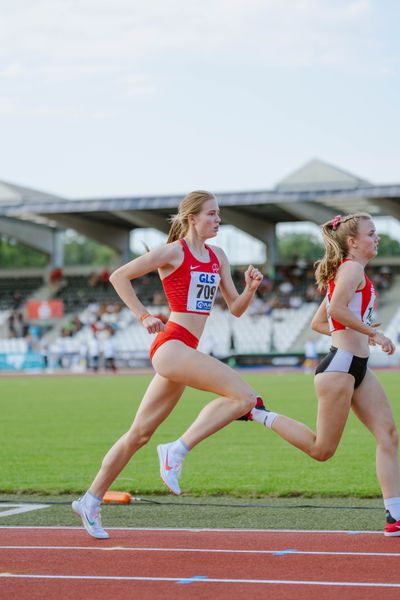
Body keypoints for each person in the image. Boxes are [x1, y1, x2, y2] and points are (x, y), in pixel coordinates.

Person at [72, 190, 264, 539]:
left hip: (186, 349)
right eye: (211, 214)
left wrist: (250, 289)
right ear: (192, 217)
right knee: (245, 397)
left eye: (219, 214)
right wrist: (144, 316)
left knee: (139, 434)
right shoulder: (174, 252)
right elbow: (119, 276)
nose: (218, 220)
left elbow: (235, 308)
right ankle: (177, 449)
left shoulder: (218, 256)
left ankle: (89, 500)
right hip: (171, 345)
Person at [243, 212, 399, 536]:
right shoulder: (352, 268)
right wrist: (373, 332)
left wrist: (360, 333)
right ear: (352, 242)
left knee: (388, 434)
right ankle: (258, 413)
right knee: (321, 450)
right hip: (340, 367)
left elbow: (320, 321)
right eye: (372, 233)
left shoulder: (352, 271)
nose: (377, 238)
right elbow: (337, 311)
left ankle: (394, 516)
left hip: (357, 367)